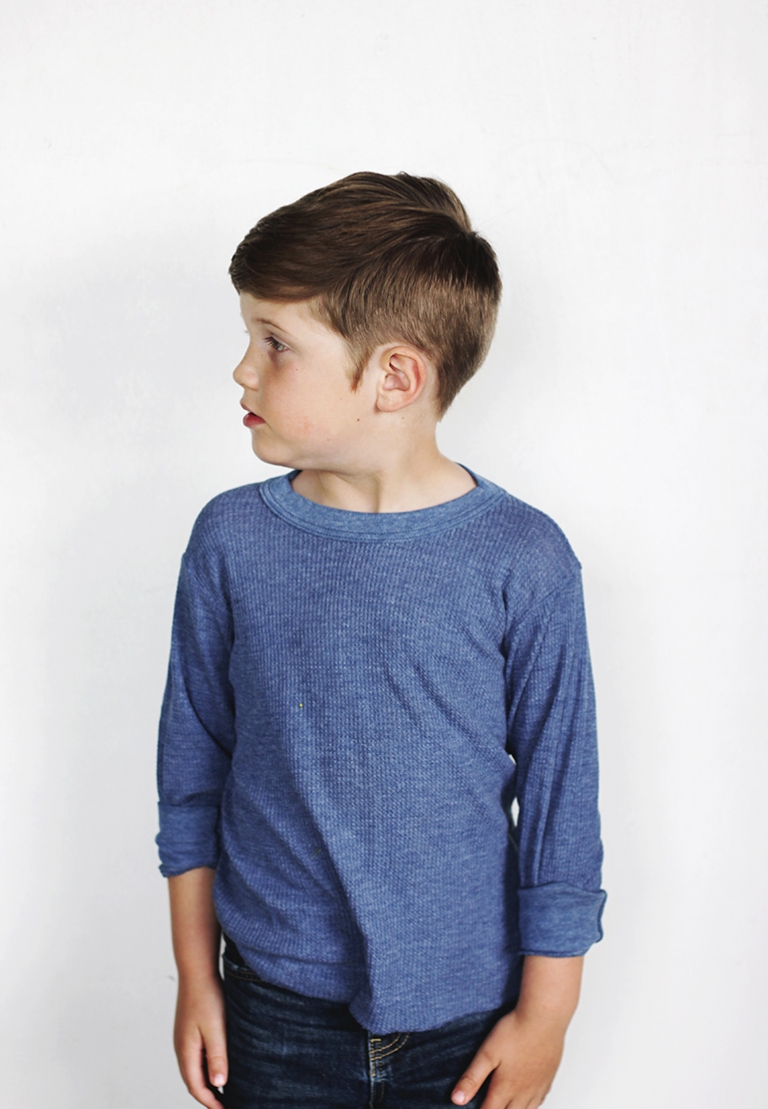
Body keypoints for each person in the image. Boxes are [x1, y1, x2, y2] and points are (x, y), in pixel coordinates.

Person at [156, 171, 606, 1109]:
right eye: (249, 335)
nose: (243, 369)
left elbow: (561, 801)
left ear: (395, 375)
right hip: (272, 1012)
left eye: (275, 343)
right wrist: (197, 977)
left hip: (467, 1021)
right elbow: (192, 770)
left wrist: (546, 1015)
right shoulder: (232, 539)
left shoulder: (524, 558)